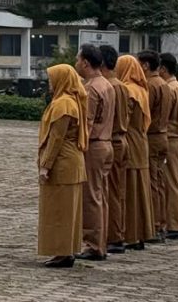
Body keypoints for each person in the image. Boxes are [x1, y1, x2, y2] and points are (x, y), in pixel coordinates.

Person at [37, 63, 88, 269]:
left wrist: (45, 165)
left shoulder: (64, 104)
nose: (49, 82)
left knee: (61, 210)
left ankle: (62, 252)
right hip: (70, 162)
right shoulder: (68, 100)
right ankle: (65, 250)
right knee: (66, 209)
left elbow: (56, 138)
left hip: (63, 162)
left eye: (52, 78)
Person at [74, 44, 113, 261]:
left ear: (86, 62)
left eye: (78, 59)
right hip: (106, 144)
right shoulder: (107, 84)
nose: (76, 63)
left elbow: (86, 123)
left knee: (91, 197)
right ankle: (101, 241)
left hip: (95, 145)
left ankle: (93, 244)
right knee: (101, 195)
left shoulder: (91, 88)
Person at [116, 55, 154, 249]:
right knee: (140, 189)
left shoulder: (128, 90)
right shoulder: (142, 89)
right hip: (141, 141)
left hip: (130, 141)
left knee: (129, 191)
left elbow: (124, 119)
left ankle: (129, 234)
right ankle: (140, 233)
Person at [138, 50, 172, 243]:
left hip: (152, 136)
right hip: (163, 135)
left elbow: (146, 113)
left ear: (145, 65)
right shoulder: (165, 84)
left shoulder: (150, 85)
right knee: (159, 182)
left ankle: (155, 225)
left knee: (152, 183)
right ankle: (161, 223)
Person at [99, 45, 129, 254]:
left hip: (113, 139)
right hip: (120, 140)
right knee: (116, 191)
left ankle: (113, 235)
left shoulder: (111, 86)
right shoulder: (121, 85)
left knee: (110, 191)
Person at [158, 52, 178, 239]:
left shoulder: (170, 89)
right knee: (177, 181)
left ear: (163, 69)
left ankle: (175, 224)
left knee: (172, 183)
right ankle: (176, 222)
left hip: (172, 138)